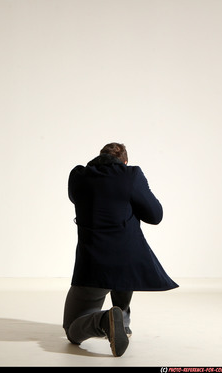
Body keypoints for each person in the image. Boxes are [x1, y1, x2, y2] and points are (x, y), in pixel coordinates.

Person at [63, 142, 178, 357]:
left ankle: (105, 320)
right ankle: (121, 321)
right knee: (125, 251)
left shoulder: (78, 176)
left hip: (93, 267)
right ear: (125, 162)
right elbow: (155, 215)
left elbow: (75, 198)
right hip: (128, 263)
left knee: (72, 331)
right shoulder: (131, 175)